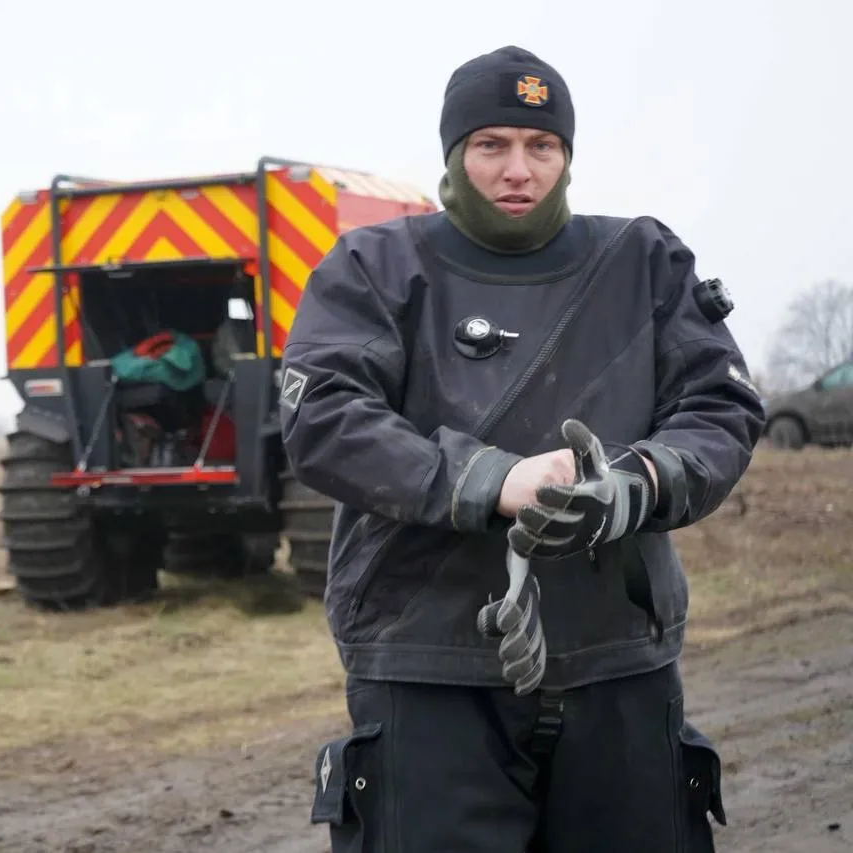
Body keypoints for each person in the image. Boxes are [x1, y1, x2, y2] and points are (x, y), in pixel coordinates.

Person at [281, 45, 765, 852]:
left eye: (541, 146)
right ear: (454, 154)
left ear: (567, 155)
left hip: (617, 664)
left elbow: (720, 406)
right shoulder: (374, 267)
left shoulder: (644, 262)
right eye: (491, 145)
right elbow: (323, 418)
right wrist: (493, 479)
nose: (519, 169)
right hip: (427, 666)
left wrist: (635, 484)